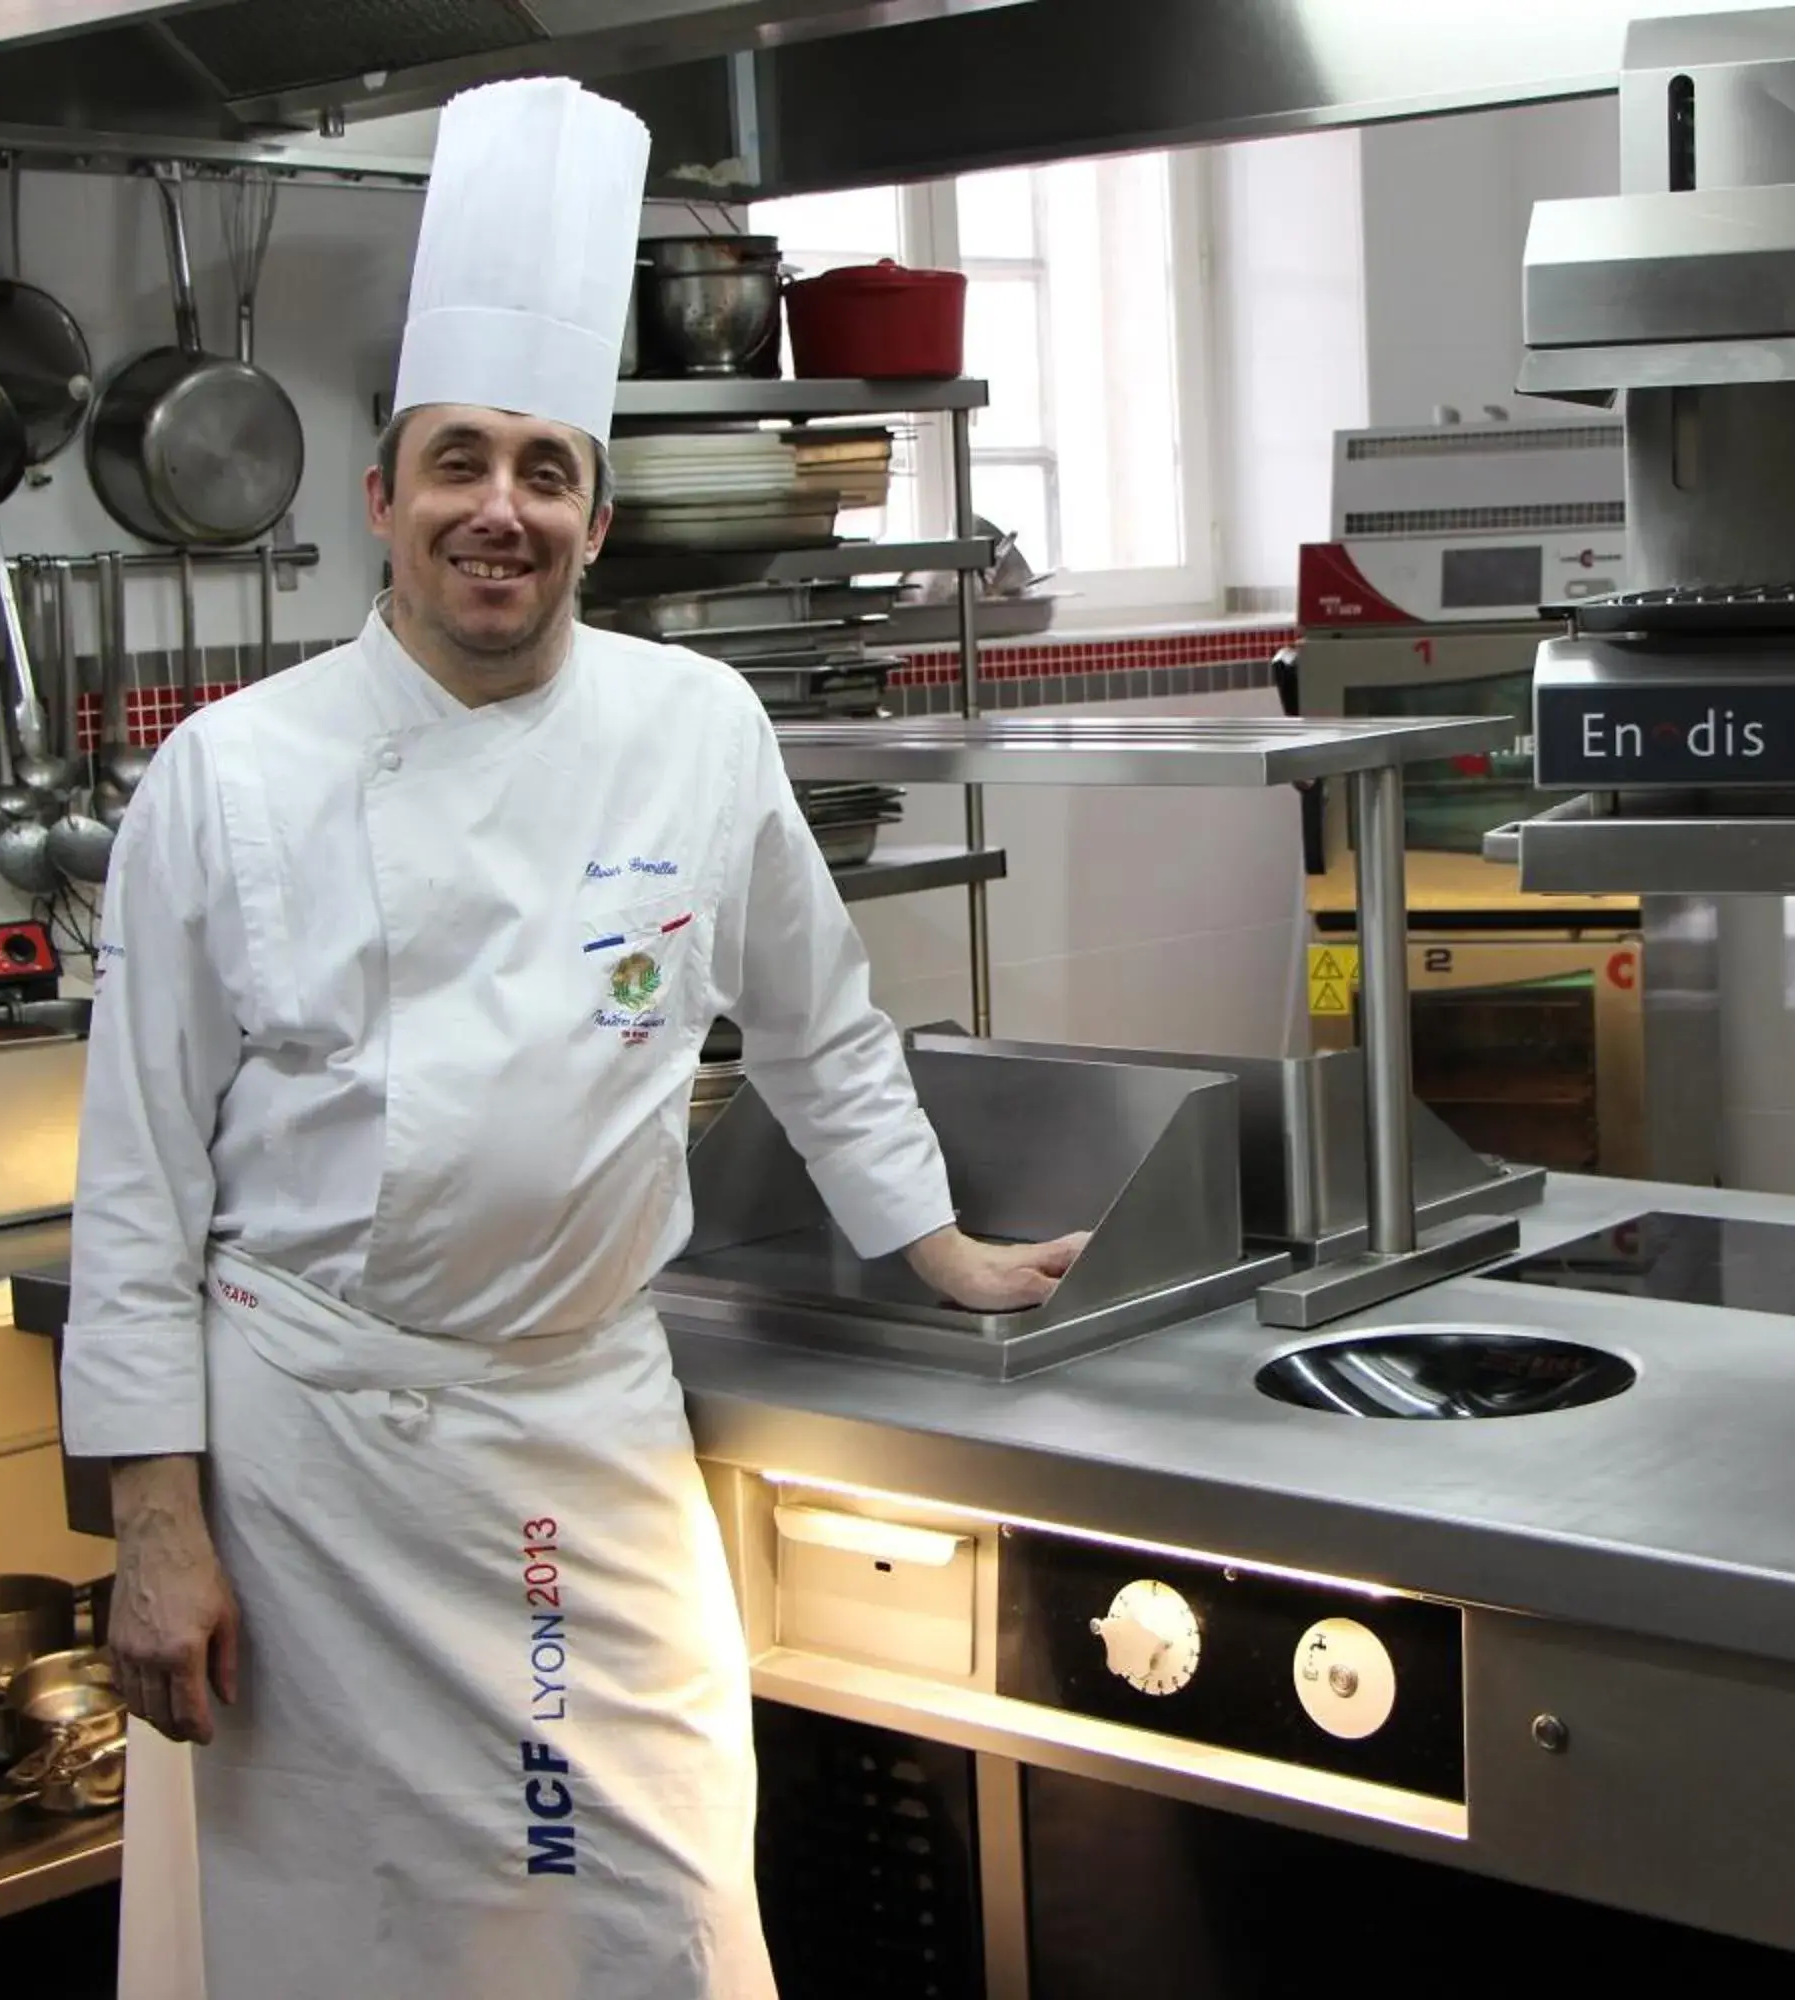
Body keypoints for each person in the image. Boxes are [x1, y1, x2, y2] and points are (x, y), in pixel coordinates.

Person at [59, 77, 1082, 1998]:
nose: (497, 511)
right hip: (318, 1460)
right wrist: (157, 1528)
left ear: (598, 516)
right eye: (458, 463)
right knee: (345, 1931)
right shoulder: (230, 777)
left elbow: (815, 1017)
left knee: (651, 1899)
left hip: (579, 1429)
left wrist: (932, 1243)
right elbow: (139, 1179)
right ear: (382, 498)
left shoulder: (694, 727)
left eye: (544, 468)